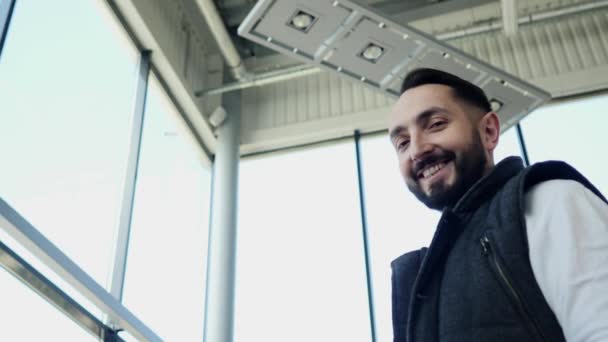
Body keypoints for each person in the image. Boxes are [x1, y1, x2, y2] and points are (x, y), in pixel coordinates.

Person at [388, 68, 608, 342]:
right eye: (403, 142)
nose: (417, 150)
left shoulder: (549, 200)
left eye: (435, 124)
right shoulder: (426, 279)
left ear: (489, 131)